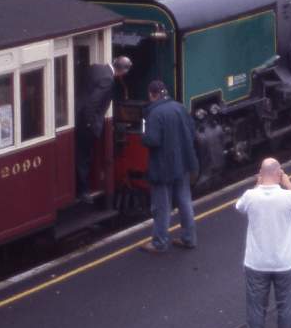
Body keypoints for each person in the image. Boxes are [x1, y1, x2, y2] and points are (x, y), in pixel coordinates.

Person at [236, 158, 291, 328]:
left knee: (255, 307)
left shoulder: (250, 196)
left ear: (260, 173)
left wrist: (257, 185)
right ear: (279, 174)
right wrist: (288, 183)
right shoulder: (287, 197)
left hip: (256, 262)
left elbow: (240, 207)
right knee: (285, 304)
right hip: (284, 262)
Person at [139, 80, 199, 253]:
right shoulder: (179, 107)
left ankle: (159, 242)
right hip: (183, 163)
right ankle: (189, 238)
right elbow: (192, 129)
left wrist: (142, 134)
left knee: (161, 206)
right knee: (185, 201)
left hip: (163, 167)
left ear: (152, 94)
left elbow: (152, 140)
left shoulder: (154, 114)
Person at [75, 56, 132, 199]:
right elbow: (93, 102)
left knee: (81, 155)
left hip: (77, 115)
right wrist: (90, 123)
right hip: (86, 123)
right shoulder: (108, 80)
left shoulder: (95, 67)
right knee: (85, 157)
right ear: (122, 71)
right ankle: (83, 190)